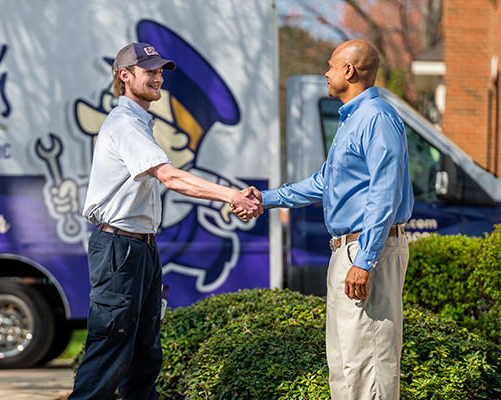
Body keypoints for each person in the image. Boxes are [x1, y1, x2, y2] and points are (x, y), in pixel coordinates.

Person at [68, 42, 263, 400]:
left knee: (144, 355)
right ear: (125, 76)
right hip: (120, 249)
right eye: (150, 71)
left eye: (161, 71)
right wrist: (232, 196)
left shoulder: (139, 121)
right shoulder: (125, 124)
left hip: (138, 247)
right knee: (109, 351)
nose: (159, 78)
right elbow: (171, 177)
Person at [236, 39, 414, 399]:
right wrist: (266, 199)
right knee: (346, 364)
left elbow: (385, 192)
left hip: (367, 249)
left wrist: (364, 260)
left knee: (368, 367)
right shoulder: (353, 120)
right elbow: (325, 182)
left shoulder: (377, 118)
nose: (326, 73)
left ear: (349, 71)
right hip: (348, 251)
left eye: (331, 66)